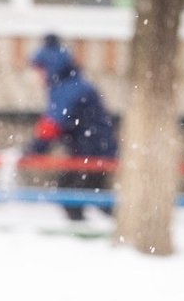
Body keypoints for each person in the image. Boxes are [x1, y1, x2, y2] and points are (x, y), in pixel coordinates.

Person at [27, 34, 117, 222]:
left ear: (48, 69)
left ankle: (97, 233)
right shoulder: (71, 84)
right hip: (94, 151)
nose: (34, 77)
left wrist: (35, 149)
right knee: (91, 195)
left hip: (92, 155)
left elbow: (52, 124)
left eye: (37, 71)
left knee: (72, 195)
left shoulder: (66, 90)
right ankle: (116, 227)